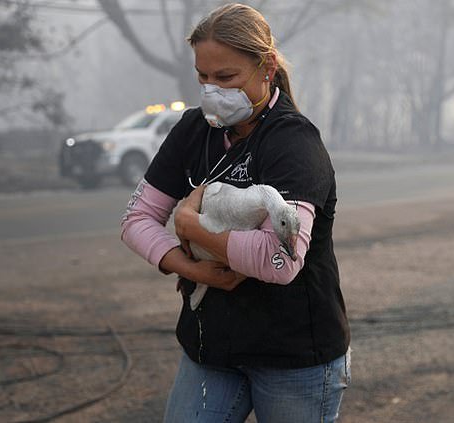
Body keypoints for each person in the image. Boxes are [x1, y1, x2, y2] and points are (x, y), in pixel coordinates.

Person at [120, 3, 351, 422]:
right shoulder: (192, 130)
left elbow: (279, 261)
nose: (212, 91)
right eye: (203, 78)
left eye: (225, 77)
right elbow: (136, 219)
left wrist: (191, 227)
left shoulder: (295, 143)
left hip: (294, 355)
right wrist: (195, 271)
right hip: (211, 349)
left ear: (266, 67)